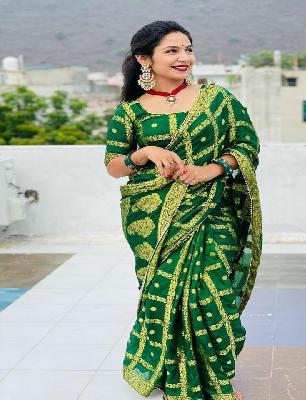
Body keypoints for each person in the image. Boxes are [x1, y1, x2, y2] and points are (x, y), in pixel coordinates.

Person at [104, 20, 262, 400]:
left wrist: (212, 169)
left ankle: (217, 382)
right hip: (155, 220)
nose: (184, 57)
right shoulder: (130, 112)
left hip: (213, 210)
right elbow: (113, 165)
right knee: (167, 297)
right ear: (145, 59)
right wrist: (144, 153)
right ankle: (176, 375)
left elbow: (247, 146)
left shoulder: (217, 99)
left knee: (212, 295)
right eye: (172, 50)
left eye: (188, 49)